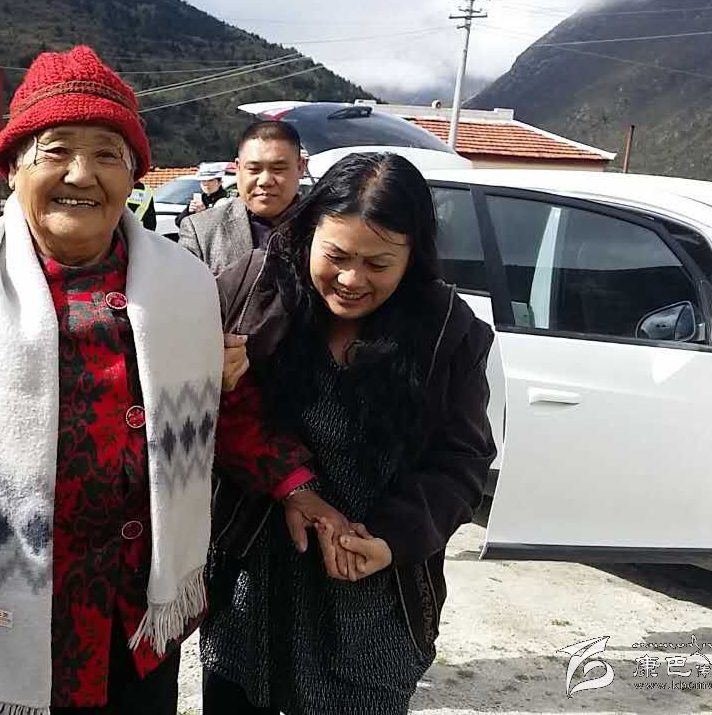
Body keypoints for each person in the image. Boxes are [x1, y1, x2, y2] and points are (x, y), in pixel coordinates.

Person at [0, 45, 349, 715]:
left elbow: (226, 411)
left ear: (133, 176)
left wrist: (297, 487)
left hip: (136, 630)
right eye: (56, 151)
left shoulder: (183, 291)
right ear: (13, 168)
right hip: (1, 630)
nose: (82, 173)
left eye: (107, 154)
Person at [201, 153, 496, 714]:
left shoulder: (447, 332)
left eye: (378, 263)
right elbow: (204, 415)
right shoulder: (255, 289)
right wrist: (206, 370)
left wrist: (390, 539)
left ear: (412, 256)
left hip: (373, 585)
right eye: (335, 256)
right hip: (256, 576)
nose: (352, 280)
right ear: (309, 233)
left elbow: (462, 461)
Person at [178, 121, 307, 273]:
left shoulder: (323, 227)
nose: (265, 181)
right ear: (238, 168)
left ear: (300, 167)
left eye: (278, 169)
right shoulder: (201, 231)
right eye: (253, 169)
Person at [173, 161, 227, 228]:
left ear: (220, 182)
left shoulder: (226, 201)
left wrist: (203, 213)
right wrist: (188, 211)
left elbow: (219, 227)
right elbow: (178, 222)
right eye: (203, 180)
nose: (206, 184)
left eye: (210, 180)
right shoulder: (201, 199)